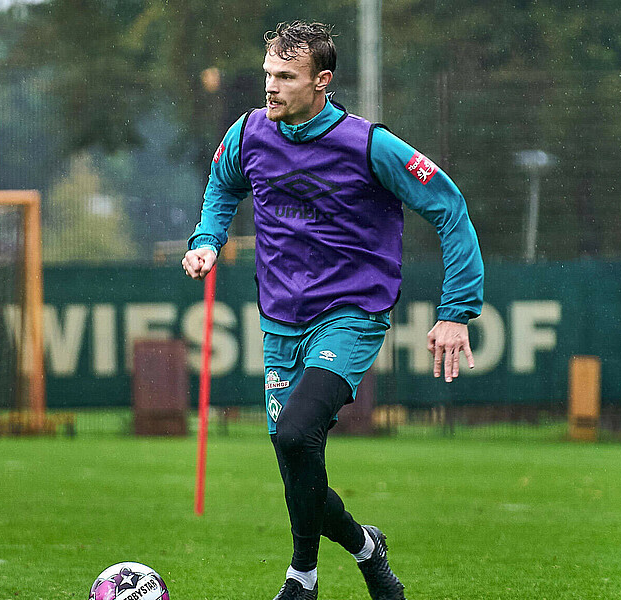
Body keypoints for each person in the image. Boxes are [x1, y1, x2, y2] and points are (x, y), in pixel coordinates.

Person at [182, 20, 483, 600]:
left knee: (298, 433)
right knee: (296, 458)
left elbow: (449, 206)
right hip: (279, 321)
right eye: (268, 74)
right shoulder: (248, 134)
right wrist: (206, 240)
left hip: (350, 315)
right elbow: (222, 186)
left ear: (322, 82)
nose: (270, 87)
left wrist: (456, 311)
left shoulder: (370, 144)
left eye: (286, 77)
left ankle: (303, 576)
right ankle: (368, 549)